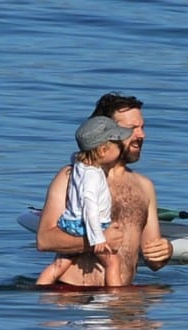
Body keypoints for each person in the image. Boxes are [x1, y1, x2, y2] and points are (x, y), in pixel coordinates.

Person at [36, 92, 173, 286]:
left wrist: (165, 251)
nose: (141, 135)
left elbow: (154, 262)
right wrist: (96, 241)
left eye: (142, 127)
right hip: (72, 299)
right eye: (132, 128)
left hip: (123, 304)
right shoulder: (71, 177)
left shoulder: (144, 186)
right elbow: (44, 240)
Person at [45, 116, 133, 286]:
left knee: (60, 264)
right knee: (113, 263)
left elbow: (75, 156)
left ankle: (39, 289)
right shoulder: (92, 175)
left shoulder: (78, 163)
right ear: (102, 151)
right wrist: (98, 238)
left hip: (70, 223)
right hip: (87, 225)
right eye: (117, 145)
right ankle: (114, 297)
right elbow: (90, 206)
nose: (121, 148)